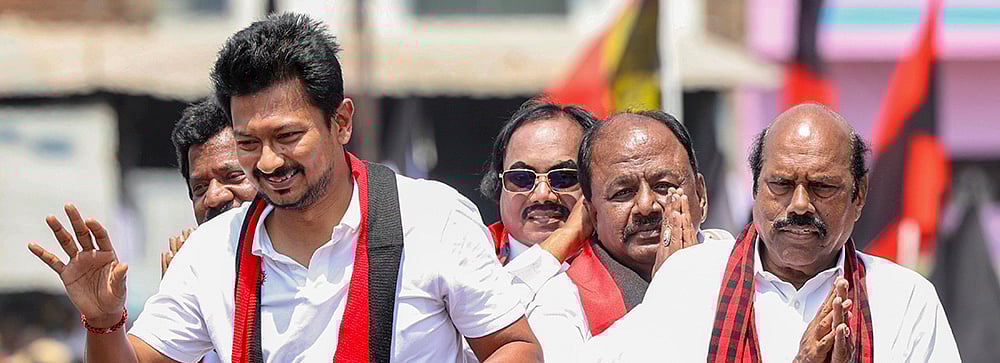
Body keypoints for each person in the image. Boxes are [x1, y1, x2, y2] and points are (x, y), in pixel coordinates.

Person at [28, 13, 541, 363]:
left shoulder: (431, 217)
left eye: (288, 137)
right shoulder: (212, 252)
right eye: (249, 142)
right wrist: (102, 321)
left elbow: (513, 347)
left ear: (341, 122)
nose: (269, 162)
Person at [584, 103, 961, 362]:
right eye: (780, 184)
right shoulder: (690, 280)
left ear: (858, 194)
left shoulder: (905, 299)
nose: (799, 205)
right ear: (755, 188)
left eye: (822, 187)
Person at [510, 110, 736, 341]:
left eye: (664, 186)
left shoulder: (745, 269)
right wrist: (667, 296)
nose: (646, 205)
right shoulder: (560, 303)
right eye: (623, 193)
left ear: (701, 195)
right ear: (592, 214)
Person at [476, 98, 597, 361]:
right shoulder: (464, 260)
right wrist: (557, 247)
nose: (543, 194)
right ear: (499, 187)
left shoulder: (624, 263)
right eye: (522, 178)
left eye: (564, 177)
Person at [160, 98, 258, 275]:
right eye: (200, 188)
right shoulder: (188, 276)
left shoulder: (315, 262)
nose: (213, 197)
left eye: (233, 177)